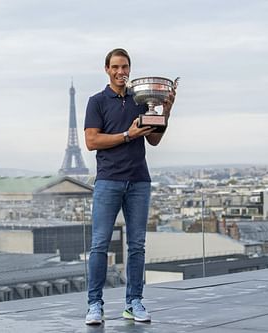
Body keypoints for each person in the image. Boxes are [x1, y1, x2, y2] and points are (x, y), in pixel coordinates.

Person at [83, 48, 175, 325]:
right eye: (116, 67)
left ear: (130, 70)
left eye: (125, 67)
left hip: (138, 180)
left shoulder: (139, 101)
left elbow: (154, 141)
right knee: (99, 245)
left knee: (137, 246)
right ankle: (94, 304)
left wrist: (166, 112)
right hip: (108, 180)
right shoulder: (96, 101)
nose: (121, 72)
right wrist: (127, 135)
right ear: (107, 69)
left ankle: (134, 302)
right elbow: (91, 142)